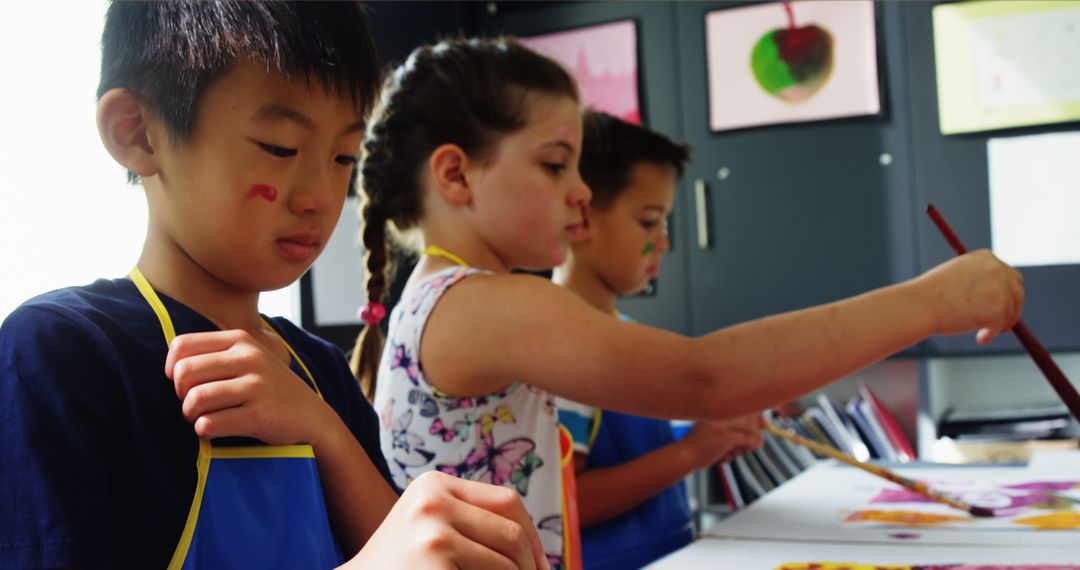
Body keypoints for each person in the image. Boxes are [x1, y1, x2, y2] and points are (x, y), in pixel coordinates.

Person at [350, 37, 1023, 569]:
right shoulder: (481, 304)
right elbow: (706, 377)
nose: (581, 193)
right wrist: (932, 302)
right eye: (556, 165)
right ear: (456, 173)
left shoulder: (448, 299)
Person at [0, 4, 546, 569]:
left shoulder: (322, 372)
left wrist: (323, 427)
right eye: (280, 147)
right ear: (137, 132)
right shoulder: (62, 355)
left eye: (342, 157)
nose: (320, 195)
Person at [553, 111, 763, 569]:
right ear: (582, 216)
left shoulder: (621, 332)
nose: (663, 243)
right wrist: (690, 452)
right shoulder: (562, 346)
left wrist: (711, 435)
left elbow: (631, 444)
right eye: (650, 223)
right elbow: (570, 501)